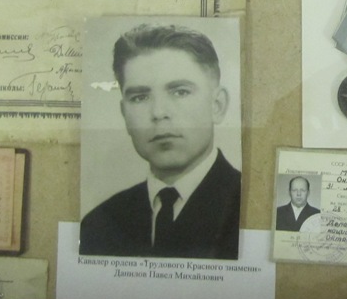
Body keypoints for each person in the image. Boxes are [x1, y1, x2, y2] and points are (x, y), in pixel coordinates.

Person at [80, 24, 241, 259]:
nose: (158, 112)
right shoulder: (98, 226)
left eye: (180, 92)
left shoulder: (249, 206)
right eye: (140, 97)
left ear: (217, 105)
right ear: (125, 115)